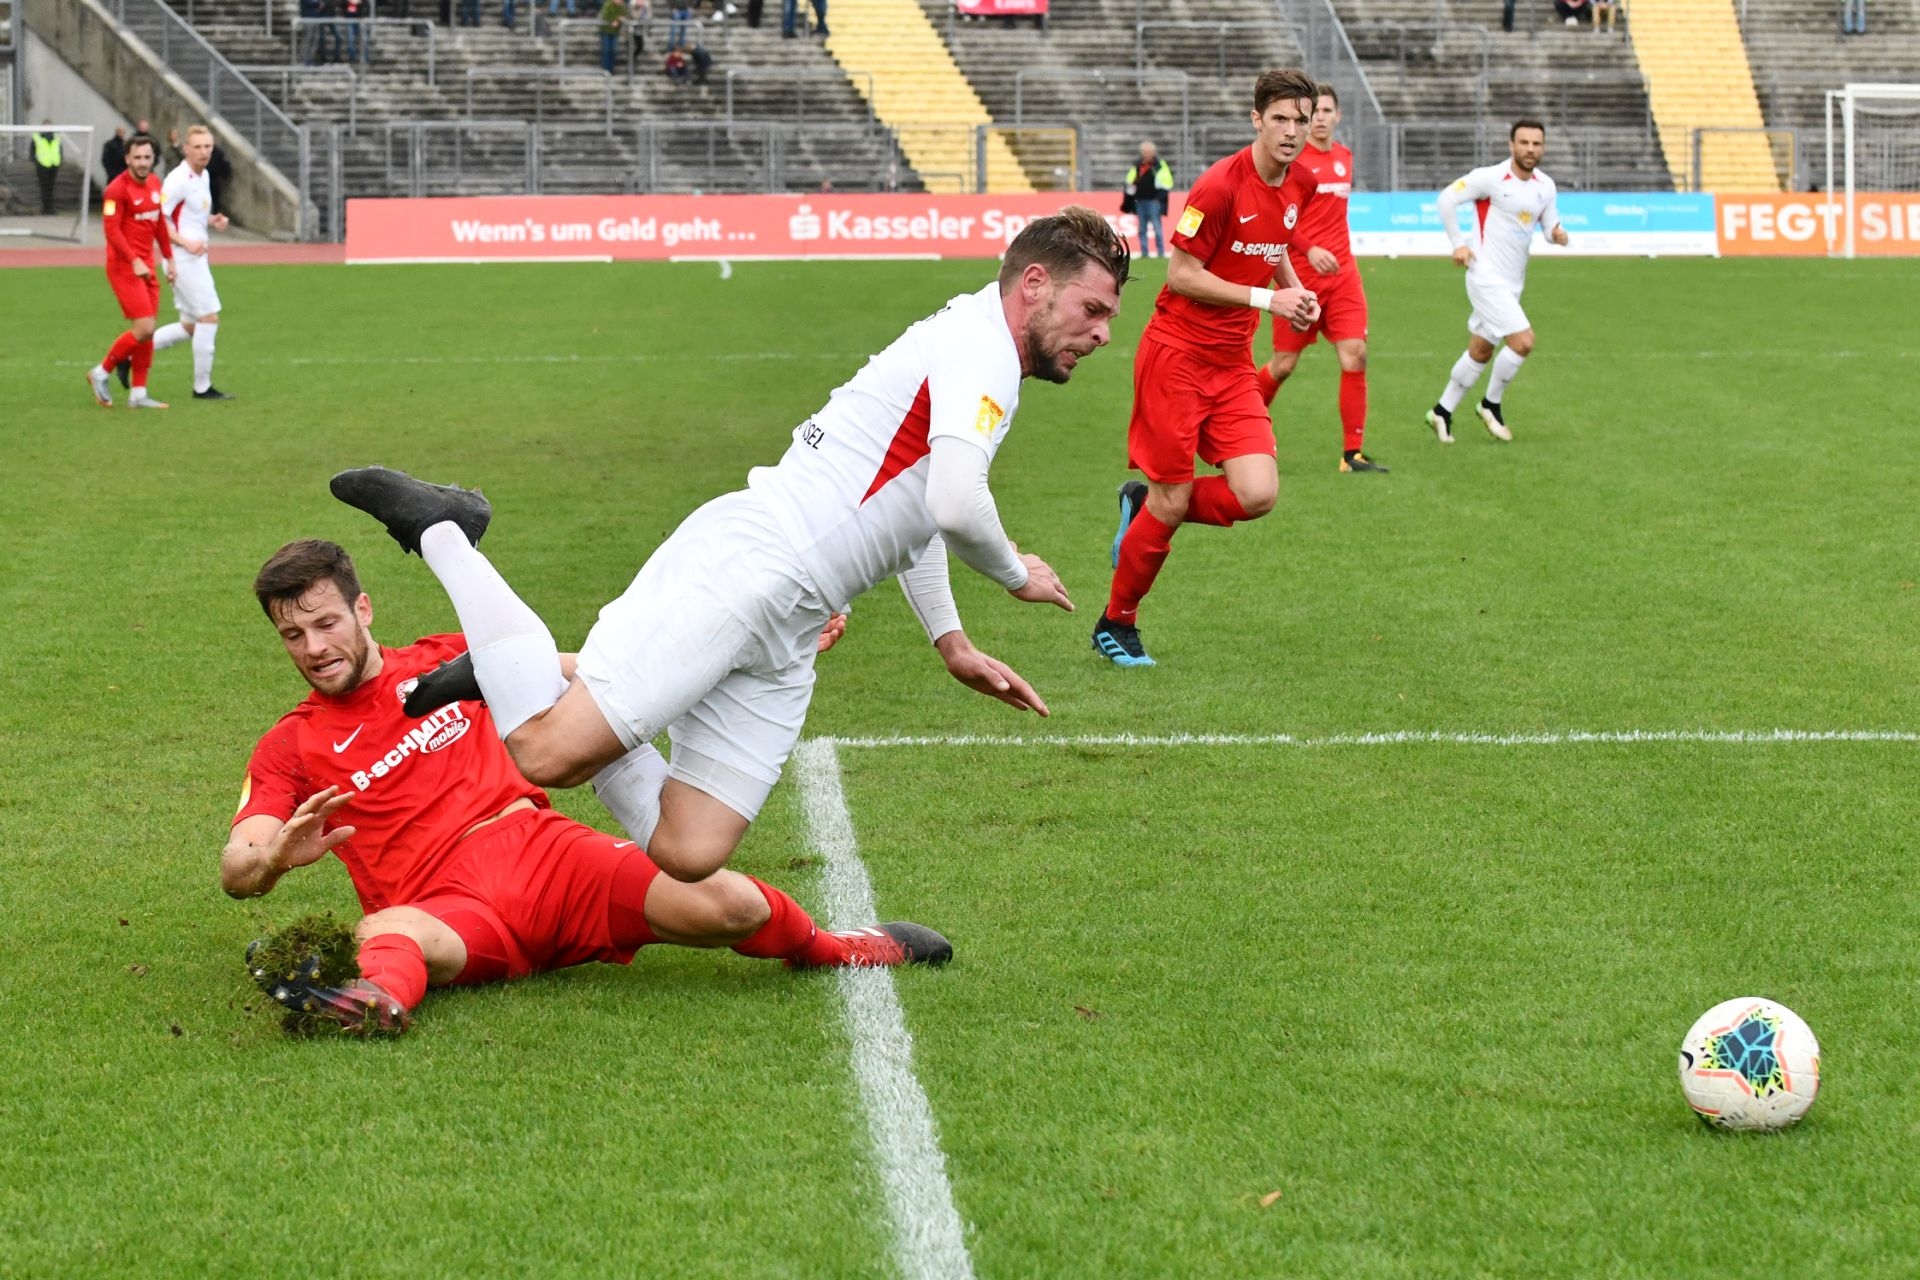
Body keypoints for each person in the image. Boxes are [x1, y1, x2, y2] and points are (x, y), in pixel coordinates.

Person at [328, 207, 1128, 889]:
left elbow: (920, 508)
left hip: (791, 619)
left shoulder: (981, 349)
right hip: (753, 566)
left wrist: (950, 640)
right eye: (1091, 309)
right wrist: (1014, 572)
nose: (1099, 334)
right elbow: (956, 500)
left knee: (690, 849)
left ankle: (534, 670)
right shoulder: (980, 349)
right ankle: (447, 531)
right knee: (542, 751)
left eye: (1108, 319)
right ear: (1033, 285)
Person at [230, 540, 940, 1036]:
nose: (315, 648)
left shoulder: (451, 658)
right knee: (388, 933)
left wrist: (758, 653)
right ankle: (368, 1000)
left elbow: (609, 676)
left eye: (325, 623)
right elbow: (240, 862)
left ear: (364, 609)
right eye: (293, 635)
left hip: (555, 864)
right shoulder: (291, 744)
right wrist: (268, 861)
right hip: (446, 912)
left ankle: (840, 948)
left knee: (730, 902)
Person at [1091, 69, 1321, 669]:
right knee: (1174, 501)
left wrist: (1295, 290)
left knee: (1258, 493)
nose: (1292, 131)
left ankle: (1146, 508)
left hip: (1232, 363)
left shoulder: (1304, 185)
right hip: (1177, 357)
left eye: (1301, 119)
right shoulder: (1220, 185)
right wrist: (1270, 302)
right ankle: (1116, 623)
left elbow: (1271, 253)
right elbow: (1181, 275)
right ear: (1257, 119)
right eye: (1280, 119)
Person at [1255, 84, 1385, 475]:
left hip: (1344, 276)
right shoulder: (1292, 162)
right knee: (1283, 364)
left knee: (1356, 355)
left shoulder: (1345, 157)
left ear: (1337, 116)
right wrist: (1309, 248)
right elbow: (1276, 218)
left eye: (1329, 110)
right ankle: (1237, 428)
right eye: (1318, 112)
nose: (1323, 117)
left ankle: (1353, 454)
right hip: (1299, 278)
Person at [1424, 119, 1568, 445]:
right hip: (1484, 276)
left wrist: (1557, 234)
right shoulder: (1490, 177)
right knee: (1523, 341)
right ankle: (1491, 404)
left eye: (1536, 144)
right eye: (1524, 142)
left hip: (1513, 282)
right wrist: (1458, 243)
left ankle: (1441, 411)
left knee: (1481, 349)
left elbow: (1549, 226)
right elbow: (1447, 199)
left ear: (1542, 147)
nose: (1530, 149)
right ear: (1511, 144)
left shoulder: (1545, 186)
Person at [85, 133, 174, 410]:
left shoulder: (156, 185)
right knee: (145, 327)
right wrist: (134, 259)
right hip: (124, 268)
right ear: (127, 159)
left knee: (148, 331)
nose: (143, 162)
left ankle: (138, 393)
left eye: (147, 157)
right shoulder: (116, 190)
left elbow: (159, 225)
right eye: (137, 157)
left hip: (147, 266)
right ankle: (101, 372)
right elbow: (111, 230)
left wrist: (170, 259)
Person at [149, 125, 233, 402]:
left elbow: (190, 215)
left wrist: (212, 221)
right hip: (182, 259)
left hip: (194, 257)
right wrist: (185, 243)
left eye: (208, 146)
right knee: (209, 317)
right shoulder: (177, 180)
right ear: (186, 148)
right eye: (197, 147)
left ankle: (131, 355)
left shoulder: (204, 175)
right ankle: (202, 388)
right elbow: (158, 220)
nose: (203, 152)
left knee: (190, 326)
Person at [1124, 141, 1173, 259]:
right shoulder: (1137, 165)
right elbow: (1129, 180)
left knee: (1157, 227)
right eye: (1145, 152)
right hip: (1140, 200)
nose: (1147, 154)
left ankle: (1161, 252)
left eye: (1149, 152)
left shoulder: (1159, 165)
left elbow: (1167, 182)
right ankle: (1144, 252)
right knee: (1142, 228)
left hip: (1153, 201)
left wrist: (1159, 198)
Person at [31, 122, 62, 217]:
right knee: (44, 188)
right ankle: (45, 208)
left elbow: (59, 150)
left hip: (54, 165)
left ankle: (50, 208)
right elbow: (32, 152)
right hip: (42, 165)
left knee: (51, 188)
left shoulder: (56, 137)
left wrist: (59, 161)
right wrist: (37, 162)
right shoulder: (37, 138)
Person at [598, 0, 624, 71]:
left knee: (613, 50)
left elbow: (623, 16)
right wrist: (615, 19)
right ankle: (605, 69)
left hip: (615, 32)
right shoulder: (608, 4)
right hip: (606, 31)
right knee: (606, 50)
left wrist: (618, 20)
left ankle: (611, 69)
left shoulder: (622, 6)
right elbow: (605, 15)